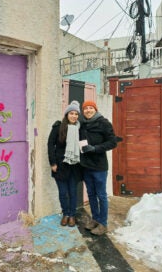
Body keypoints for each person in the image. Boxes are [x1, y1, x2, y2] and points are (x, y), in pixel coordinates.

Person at [80, 100, 117, 235]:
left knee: (101, 195)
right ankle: (95, 219)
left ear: (95, 109)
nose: (88, 110)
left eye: (90, 108)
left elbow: (113, 142)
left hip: (99, 167)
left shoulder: (104, 123)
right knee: (91, 194)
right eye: (85, 108)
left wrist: (95, 148)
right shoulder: (82, 124)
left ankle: (103, 223)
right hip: (86, 166)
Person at [47, 100, 82, 227]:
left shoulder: (79, 128)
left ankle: (72, 215)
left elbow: (82, 145)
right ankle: (66, 214)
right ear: (67, 114)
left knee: (72, 192)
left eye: (76, 114)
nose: (74, 116)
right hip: (60, 165)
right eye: (71, 113)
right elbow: (50, 145)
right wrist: (53, 163)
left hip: (74, 166)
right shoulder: (58, 127)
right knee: (63, 192)